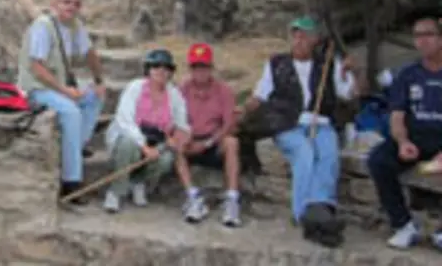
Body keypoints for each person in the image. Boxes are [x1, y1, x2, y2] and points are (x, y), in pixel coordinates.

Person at [240, 16, 355, 247]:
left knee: (329, 152)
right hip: (286, 122)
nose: (299, 39)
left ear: (315, 39)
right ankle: (303, 212)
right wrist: (242, 110)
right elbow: (260, 95)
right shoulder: (276, 63)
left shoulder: (328, 64)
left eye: (304, 34)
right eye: (295, 34)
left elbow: (349, 94)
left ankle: (322, 206)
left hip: (320, 121)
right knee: (304, 152)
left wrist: (351, 73)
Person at [16, 0, 105, 204]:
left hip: (58, 87)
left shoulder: (76, 26)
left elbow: (90, 53)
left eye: (75, 4)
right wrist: (65, 91)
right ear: (54, 4)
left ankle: (75, 146)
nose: (71, 7)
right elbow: (37, 68)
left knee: (95, 96)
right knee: (72, 112)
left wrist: (99, 80)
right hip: (35, 88)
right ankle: (71, 183)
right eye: (66, 2)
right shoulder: (43, 27)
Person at [367, 15, 442, 250]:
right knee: (378, 160)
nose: (422, 41)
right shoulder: (407, 74)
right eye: (417, 36)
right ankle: (403, 224)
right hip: (416, 138)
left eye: (428, 34)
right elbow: (397, 115)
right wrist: (402, 141)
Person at [102, 49, 190, 213]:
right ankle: (116, 191)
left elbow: (182, 125)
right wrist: (144, 147)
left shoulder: (174, 95)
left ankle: (137, 182)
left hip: (156, 140)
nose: (161, 71)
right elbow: (125, 120)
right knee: (128, 144)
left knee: (166, 159)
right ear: (148, 69)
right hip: (131, 138)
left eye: (166, 68)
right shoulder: (135, 88)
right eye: (156, 66)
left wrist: (176, 138)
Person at [178, 43, 242, 227]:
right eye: (196, 67)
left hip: (214, 140)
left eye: (204, 67)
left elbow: (229, 123)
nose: (200, 72)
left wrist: (208, 143)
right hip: (191, 139)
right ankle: (193, 197)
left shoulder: (224, 91)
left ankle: (232, 199)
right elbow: (176, 118)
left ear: (211, 68)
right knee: (176, 145)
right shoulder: (182, 90)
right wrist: (185, 136)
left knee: (232, 143)